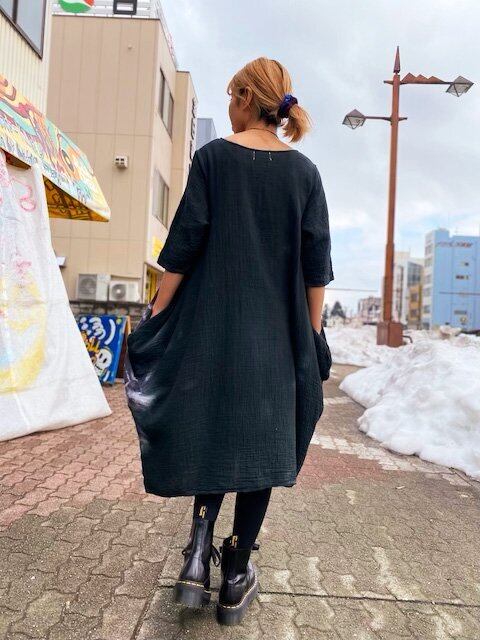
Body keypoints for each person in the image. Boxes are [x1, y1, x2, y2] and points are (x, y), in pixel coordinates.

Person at [124, 57, 334, 626]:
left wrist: (156, 313)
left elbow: (183, 245)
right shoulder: (306, 173)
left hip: (213, 332)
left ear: (245, 98)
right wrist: (312, 333)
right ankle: (236, 571)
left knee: (214, 433)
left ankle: (197, 555)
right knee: (261, 447)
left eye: (230, 96)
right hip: (276, 340)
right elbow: (316, 267)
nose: (230, 106)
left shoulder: (214, 158)